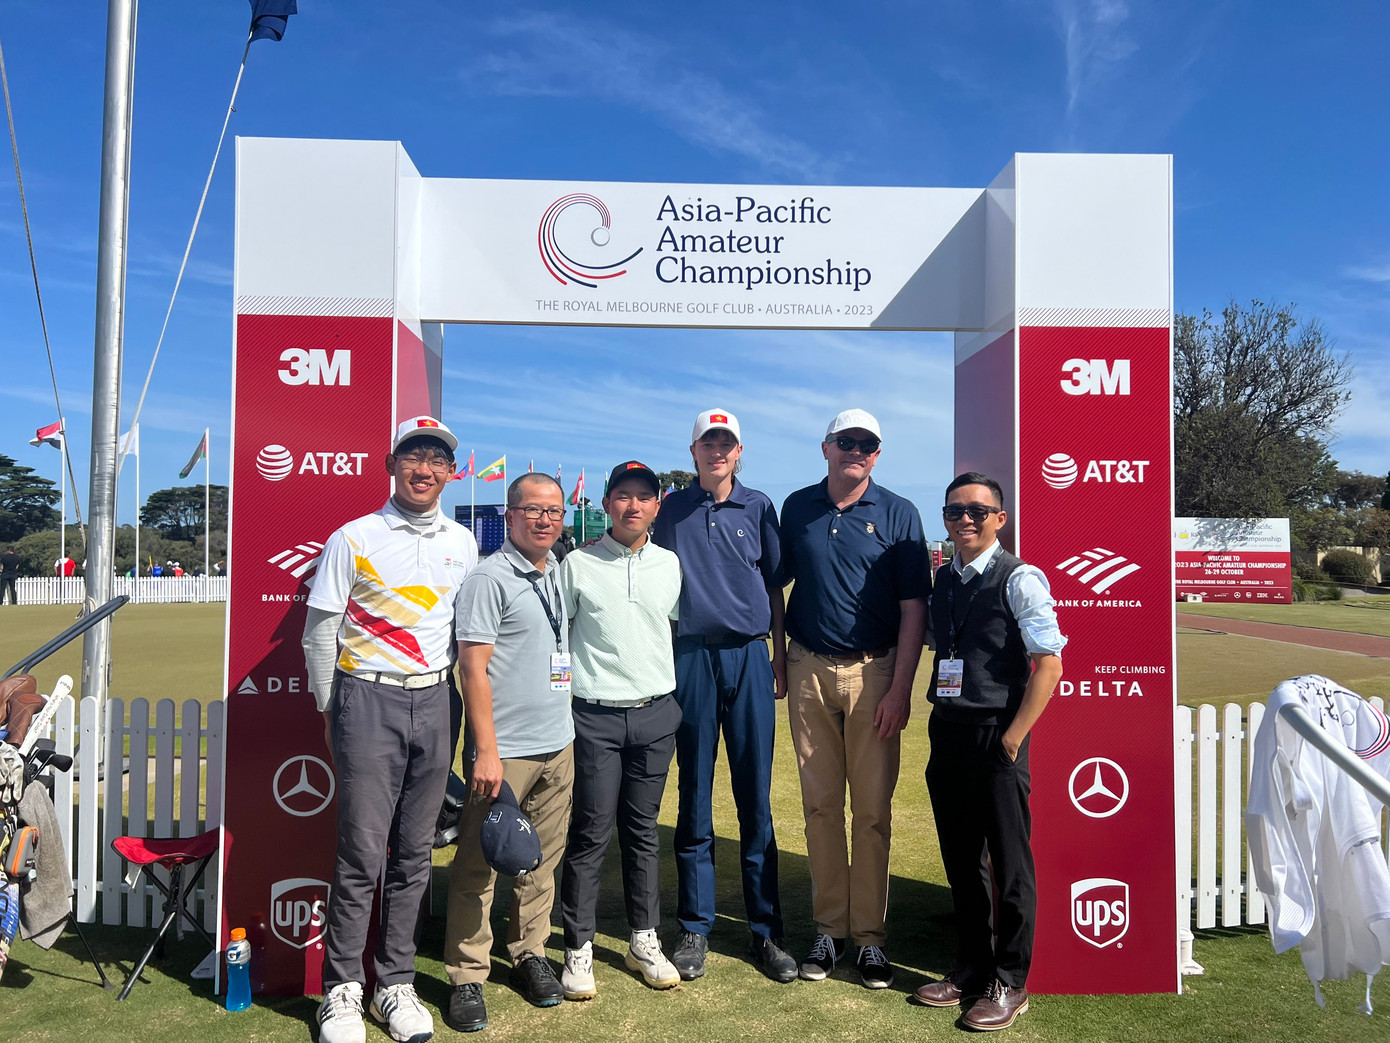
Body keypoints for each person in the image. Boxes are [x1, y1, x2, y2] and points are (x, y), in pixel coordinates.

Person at [302, 416, 478, 1043]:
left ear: (450, 472)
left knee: (413, 853)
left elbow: (466, 635)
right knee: (360, 852)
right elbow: (321, 632)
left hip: (437, 697)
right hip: (367, 696)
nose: (424, 469)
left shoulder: (463, 543)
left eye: (436, 459)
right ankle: (343, 990)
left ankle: (394, 984)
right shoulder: (354, 536)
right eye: (412, 457)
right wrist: (332, 711)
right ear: (391, 465)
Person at [779, 408, 929, 989]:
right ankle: (829, 929)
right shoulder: (797, 507)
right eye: (847, 441)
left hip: (875, 673)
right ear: (826, 447)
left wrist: (900, 689)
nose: (856, 451)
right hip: (808, 667)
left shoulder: (899, 512)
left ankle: (868, 938)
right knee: (820, 807)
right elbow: (774, 584)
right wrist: (777, 654)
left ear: (877, 454)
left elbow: (914, 608)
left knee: (871, 812)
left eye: (867, 445)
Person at [915, 472, 1064, 1031]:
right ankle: (973, 967)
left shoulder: (1019, 578)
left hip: (996, 735)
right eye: (954, 511)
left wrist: (1013, 736)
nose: (965, 520)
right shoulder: (945, 578)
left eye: (977, 511)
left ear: (1000, 519)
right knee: (961, 858)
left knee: (1010, 863)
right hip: (948, 730)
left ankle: (1010, 980)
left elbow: (1049, 664)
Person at [652, 409, 795, 983]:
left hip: (749, 656)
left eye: (726, 443)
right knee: (694, 792)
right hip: (690, 657)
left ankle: (767, 930)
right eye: (707, 443)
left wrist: (778, 655)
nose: (717, 451)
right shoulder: (671, 509)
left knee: (754, 794)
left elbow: (773, 586)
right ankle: (694, 925)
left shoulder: (759, 506)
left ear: (739, 452)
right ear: (693, 451)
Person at [442, 472, 576, 1033]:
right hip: (505, 752)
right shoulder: (488, 578)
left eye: (554, 511)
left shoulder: (555, 570)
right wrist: (486, 752)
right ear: (510, 514)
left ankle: (530, 952)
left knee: (541, 862)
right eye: (533, 510)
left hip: (558, 743)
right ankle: (467, 974)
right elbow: (472, 669)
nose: (545, 520)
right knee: (479, 865)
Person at [557, 461, 684, 998]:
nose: (634, 505)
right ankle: (578, 947)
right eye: (623, 495)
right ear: (607, 504)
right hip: (595, 716)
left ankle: (643, 939)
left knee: (643, 831)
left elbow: (668, 628)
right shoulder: (577, 563)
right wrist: (559, 700)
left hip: (655, 713)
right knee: (590, 832)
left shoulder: (669, 564)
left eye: (644, 497)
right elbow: (559, 638)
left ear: (657, 506)